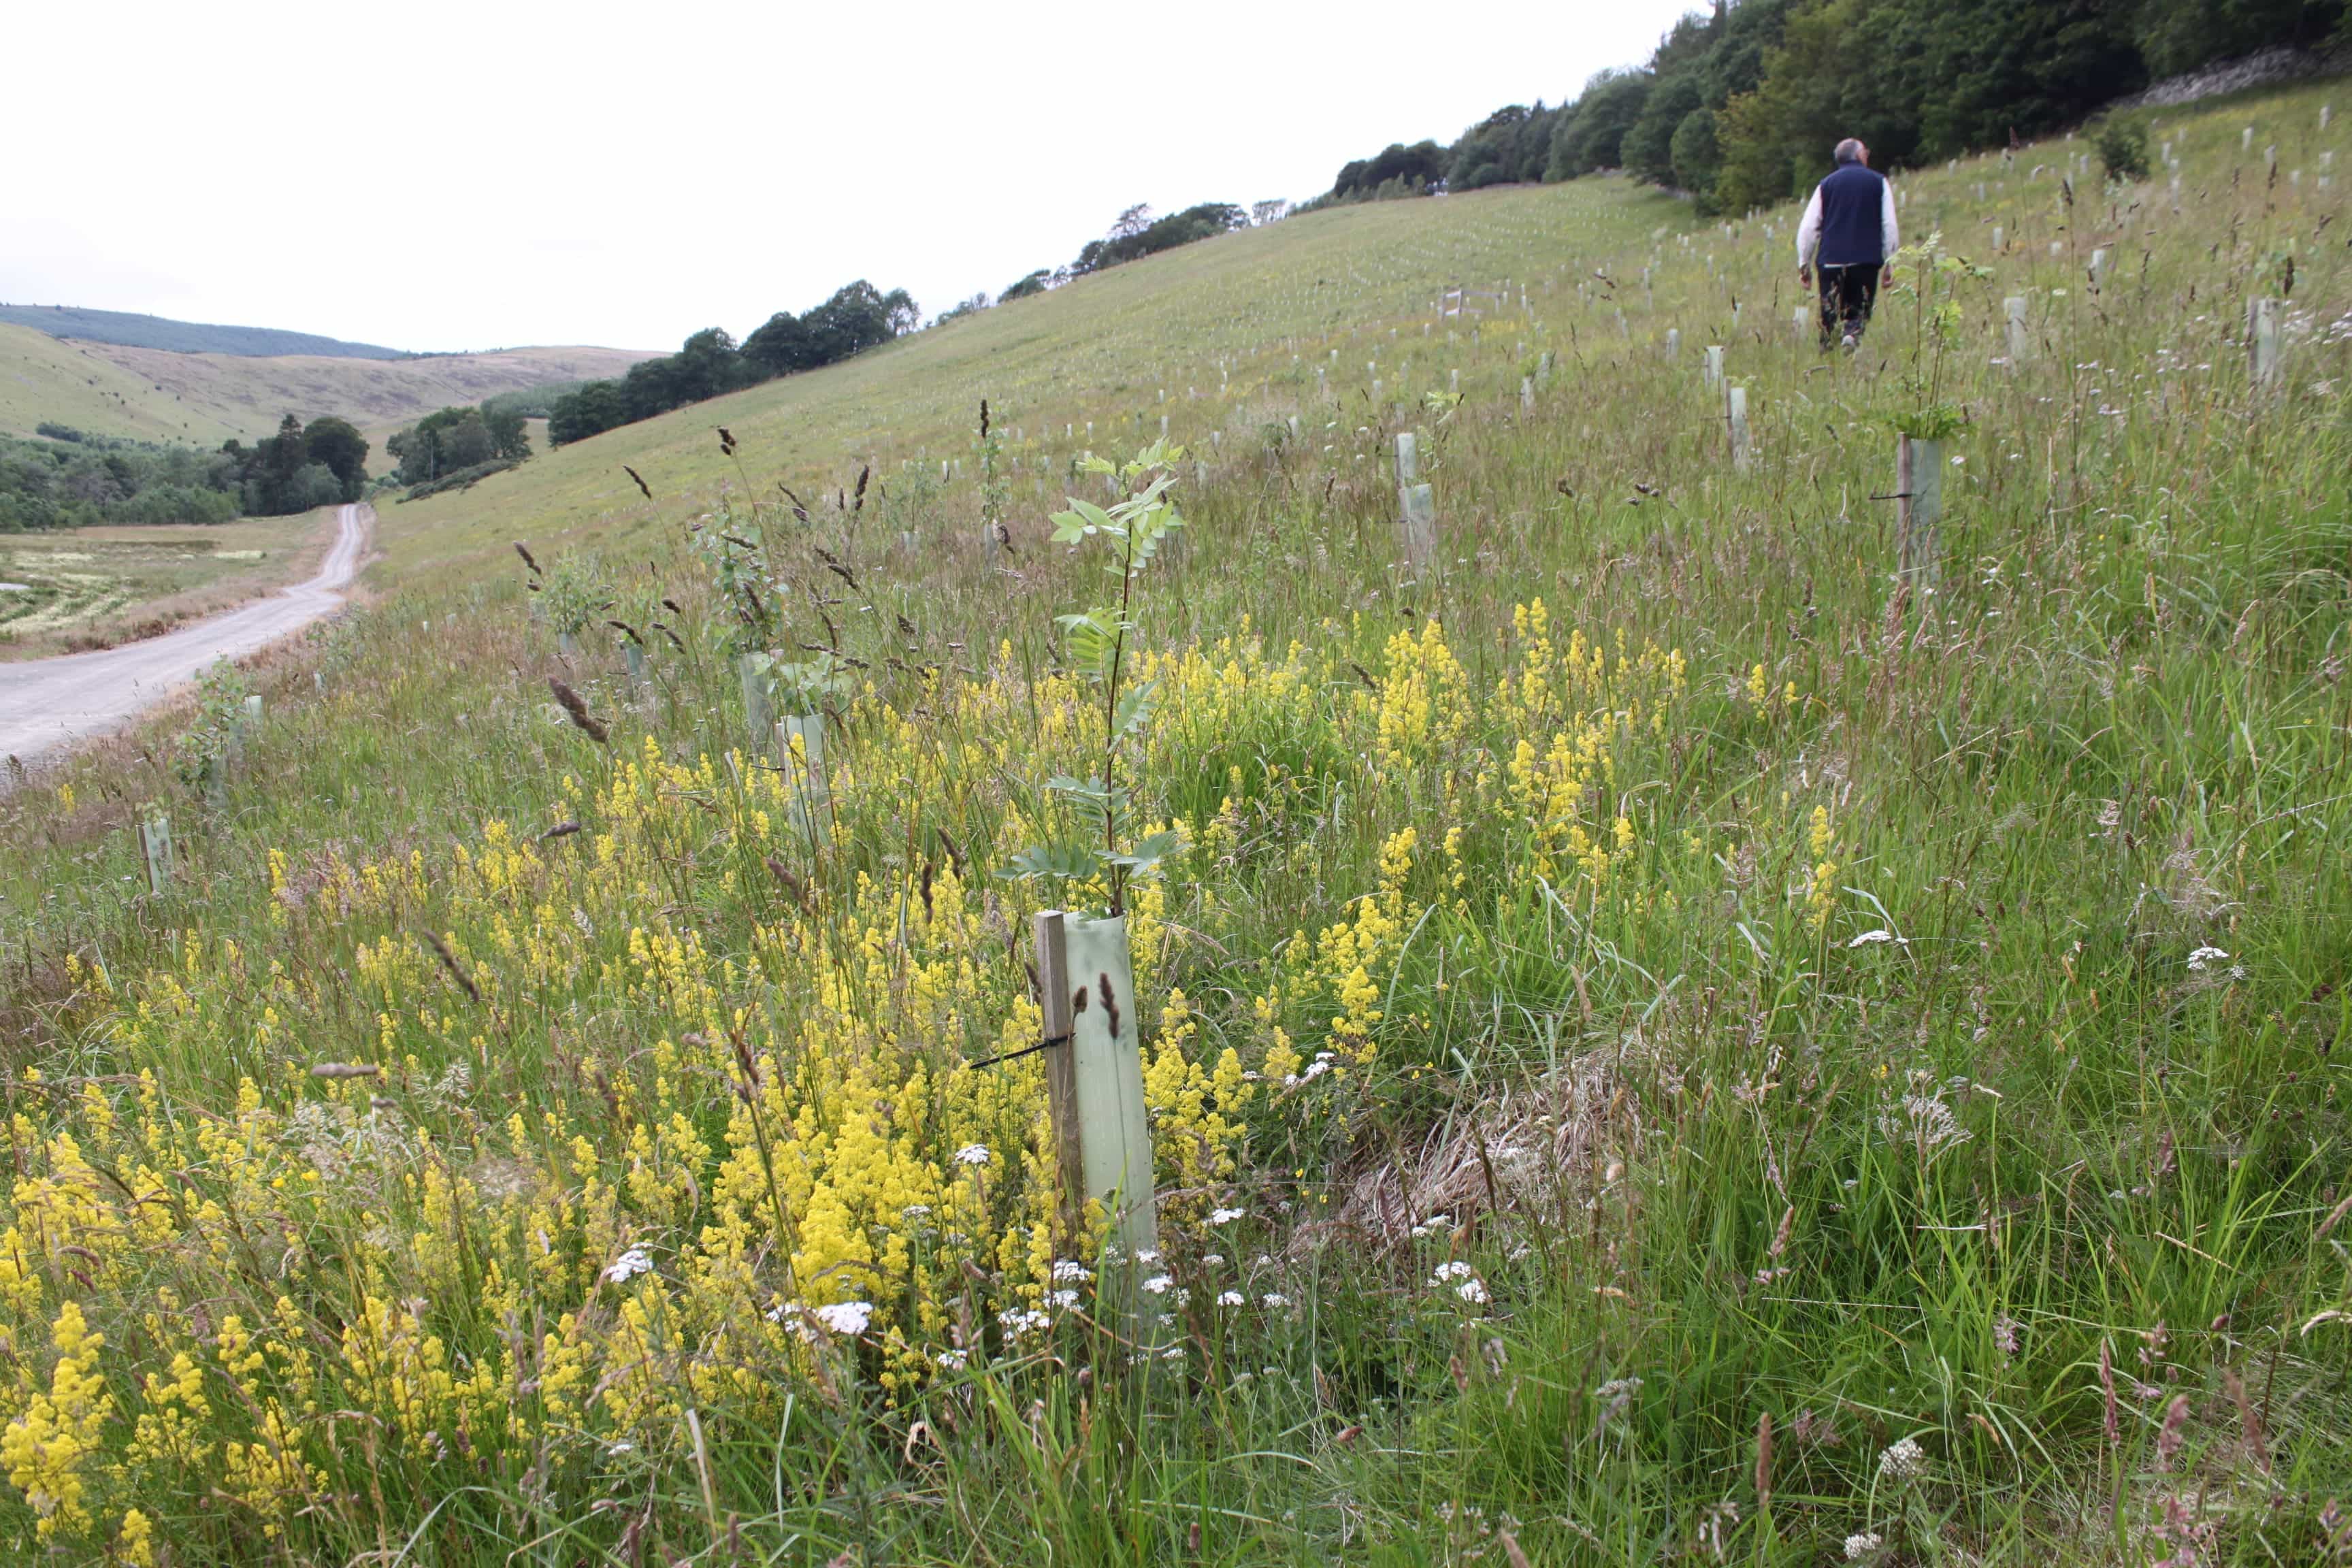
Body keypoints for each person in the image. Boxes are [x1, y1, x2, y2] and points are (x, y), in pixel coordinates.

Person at [1796, 138, 1899, 350]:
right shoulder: (1879, 182)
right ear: (1860, 155)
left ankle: (1828, 353)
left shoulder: (1826, 185)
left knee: (1829, 315)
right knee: (1858, 312)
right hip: (1866, 261)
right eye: (1866, 152)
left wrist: (1804, 264)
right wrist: (1891, 262)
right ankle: (1851, 335)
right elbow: (1889, 225)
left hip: (1830, 261)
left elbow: (1808, 228)